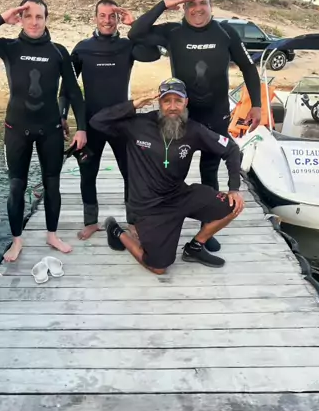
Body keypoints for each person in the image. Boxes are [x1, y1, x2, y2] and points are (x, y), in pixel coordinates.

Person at [127, 0, 261, 252]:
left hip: (215, 114)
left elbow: (248, 67)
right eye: (190, 4)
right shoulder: (173, 32)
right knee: (172, 168)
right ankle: (162, 216)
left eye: (202, 3)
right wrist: (164, 4)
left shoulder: (226, 33)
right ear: (183, 8)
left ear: (211, 5)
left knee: (209, 170)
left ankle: (206, 229)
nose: (197, 8)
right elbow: (135, 32)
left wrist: (257, 105)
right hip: (182, 117)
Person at [0, 0, 86, 262]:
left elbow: (74, 92)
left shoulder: (58, 52)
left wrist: (82, 129)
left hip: (51, 129)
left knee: (53, 184)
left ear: (46, 19)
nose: (34, 22)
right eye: (27, 16)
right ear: (19, 19)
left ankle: (52, 235)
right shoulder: (8, 47)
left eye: (39, 16)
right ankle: (17, 241)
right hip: (16, 129)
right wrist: (1, 18)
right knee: (16, 187)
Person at [90, 77, 244, 273]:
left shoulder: (194, 130)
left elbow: (231, 149)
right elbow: (97, 121)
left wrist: (234, 188)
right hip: (149, 206)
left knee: (234, 206)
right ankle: (116, 230)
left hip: (179, 195)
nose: (172, 107)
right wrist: (133, 105)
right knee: (158, 267)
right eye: (166, 101)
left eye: (178, 101)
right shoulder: (137, 124)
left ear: (186, 102)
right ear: (159, 102)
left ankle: (195, 247)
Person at [61, 0, 161, 240]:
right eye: (102, 15)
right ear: (95, 18)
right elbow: (68, 87)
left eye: (112, 16)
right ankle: (90, 221)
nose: (107, 20)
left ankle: (133, 222)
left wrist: (134, 25)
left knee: (131, 174)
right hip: (91, 122)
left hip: (123, 121)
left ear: (118, 19)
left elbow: (154, 53)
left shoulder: (127, 46)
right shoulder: (82, 48)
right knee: (88, 173)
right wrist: (63, 115)